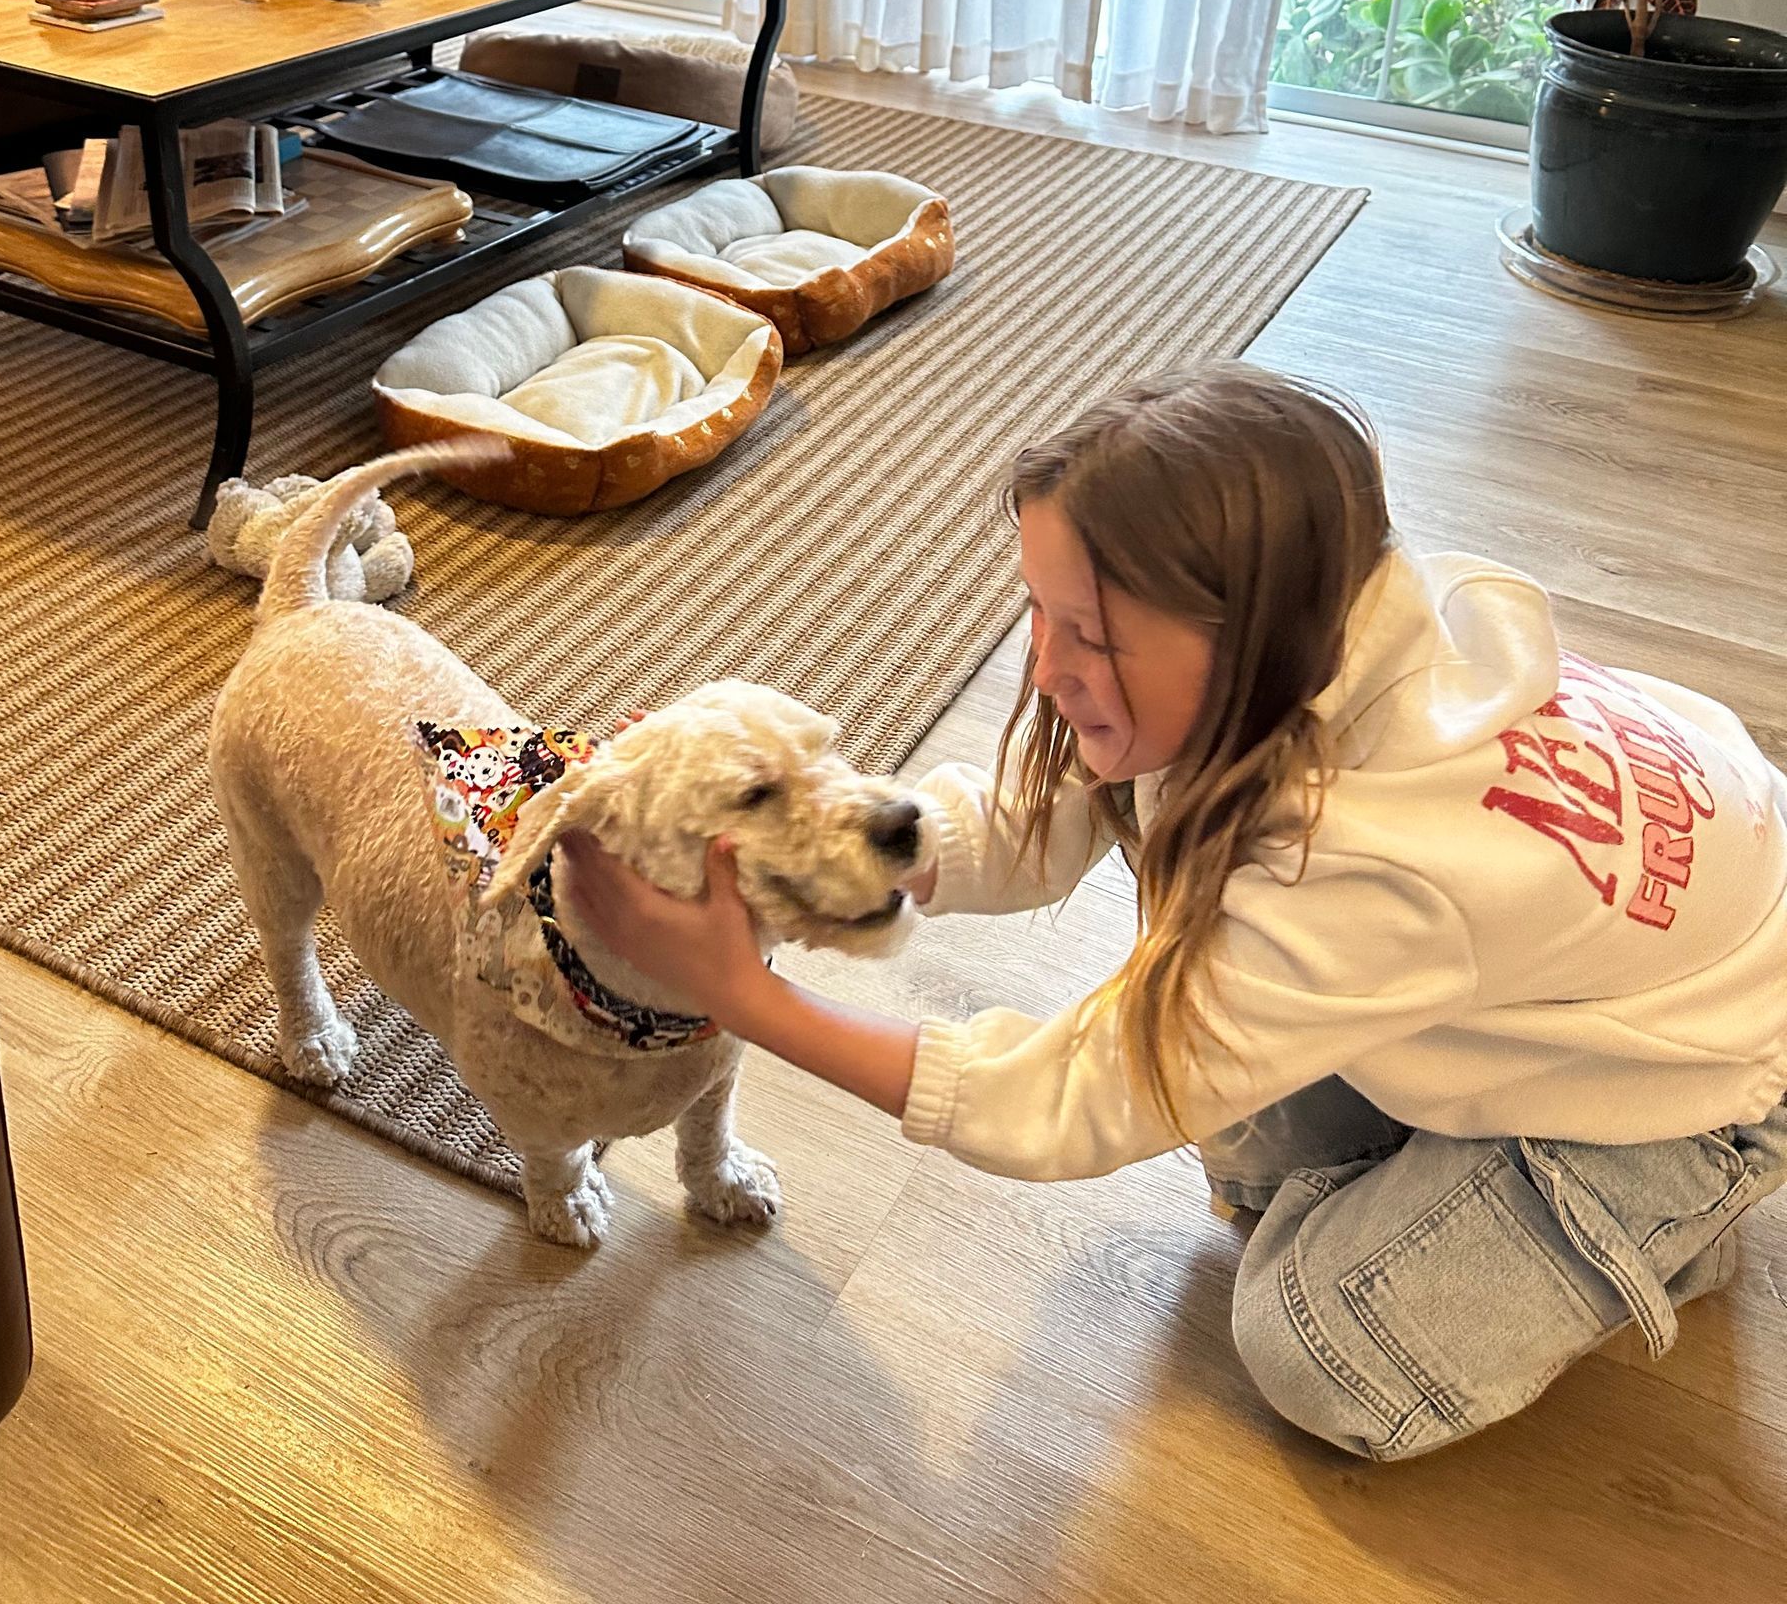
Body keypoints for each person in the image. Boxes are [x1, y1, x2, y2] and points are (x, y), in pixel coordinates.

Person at [560, 365, 1787, 1458]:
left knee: (1314, 1342)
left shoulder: (1374, 862)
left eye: (1091, 636)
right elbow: (1045, 816)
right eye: (1037, 610)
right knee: (1243, 1145)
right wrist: (858, 846)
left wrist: (744, 995)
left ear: (1250, 633)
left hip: (1704, 1064)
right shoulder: (1322, 618)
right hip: (1625, 918)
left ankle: (1669, 1206)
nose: (1047, 667)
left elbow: (1069, 1097)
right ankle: (1457, 1140)